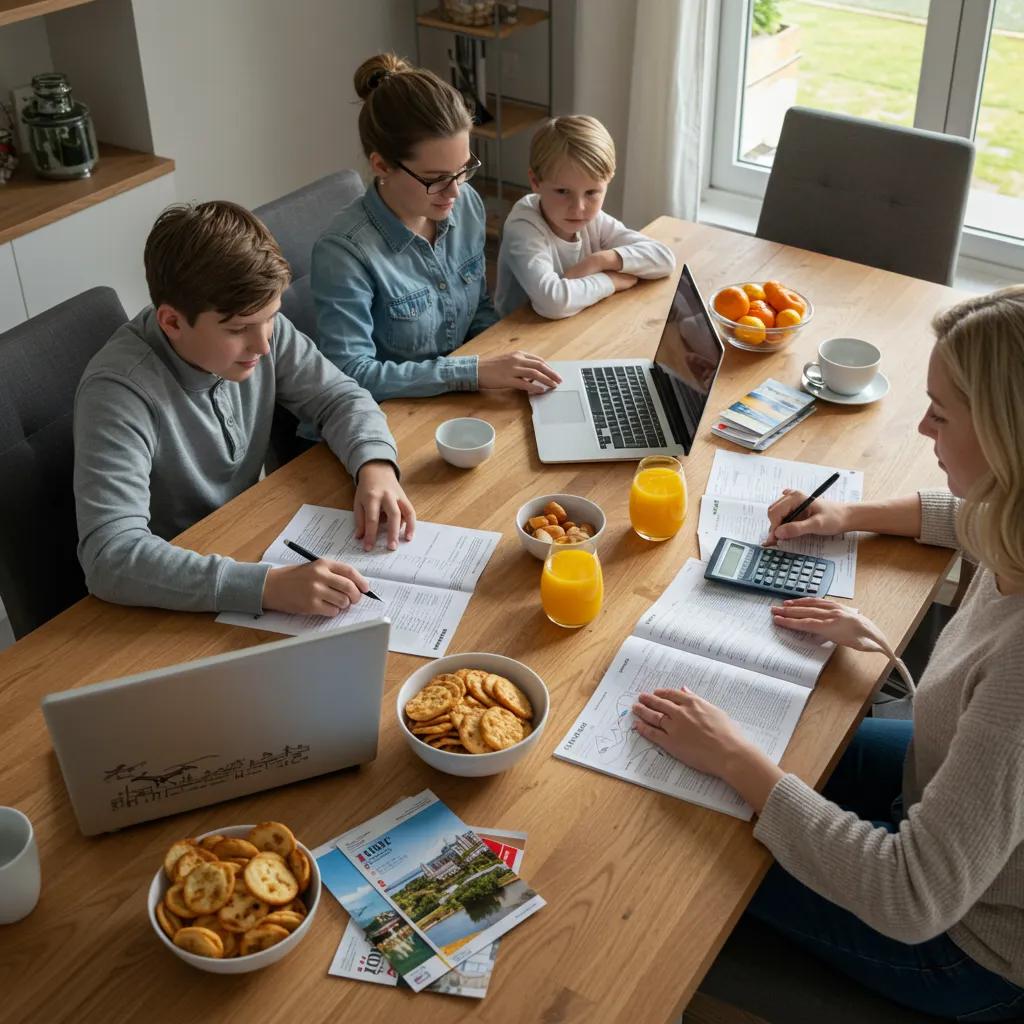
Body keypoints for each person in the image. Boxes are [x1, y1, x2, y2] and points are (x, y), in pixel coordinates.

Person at [632, 286, 1024, 1021]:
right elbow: (961, 516)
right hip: (935, 790)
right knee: (778, 745)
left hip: (967, 945)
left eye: (940, 413)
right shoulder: (1013, 514)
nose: (921, 425)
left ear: (1009, 435)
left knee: (687, 847)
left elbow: (913, 897)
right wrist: (844, 515)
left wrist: (735, 760)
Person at [74, 200, 415, 619]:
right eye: (237, 330)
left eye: (271, 318)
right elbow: (110, 556)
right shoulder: (117, 392)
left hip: (251, 537)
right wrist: (266, 587)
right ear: (172, 322)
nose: (263, 345)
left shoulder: (258, 323)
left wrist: (375, 464)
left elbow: (340, 397)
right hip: (171, 596)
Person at [309, 52, 560, 403]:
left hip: (455, 402)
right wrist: (472, 372)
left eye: (463, 168)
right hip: (386, 418)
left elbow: (477, 309)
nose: (456, 190)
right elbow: (352, 373)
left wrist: (512, 357)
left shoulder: (466, 204)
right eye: (436, 179)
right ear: (381, 165)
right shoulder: (344, 253)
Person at [494, 115, 676, 320]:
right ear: (535, 182)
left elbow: (664, 259)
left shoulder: (594, 220)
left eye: (591, 193)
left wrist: (599, 261)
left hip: (577, 320)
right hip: (519, 339)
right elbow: (552, 302)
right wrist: (610, 281)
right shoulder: (523, 226)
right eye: (563, 191)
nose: (578, 208)